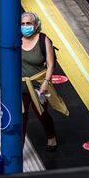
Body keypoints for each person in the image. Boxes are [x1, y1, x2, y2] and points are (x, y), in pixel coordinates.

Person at [21, 12, 58, 151]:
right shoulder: (17, 39)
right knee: (21, 117)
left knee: (41, 114)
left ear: (36, 25)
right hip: (21, 86)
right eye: (23, 24)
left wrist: (46, 82)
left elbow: (50, 64)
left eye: (28, 23)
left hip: (38, 85)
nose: (25, 26)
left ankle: (51, 137)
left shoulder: (43, 40)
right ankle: (19, 147)